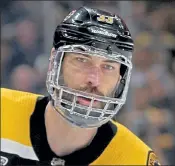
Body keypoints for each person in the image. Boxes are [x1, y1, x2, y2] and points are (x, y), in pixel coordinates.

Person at [1, 6, 161, 165]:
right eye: (82, 59)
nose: (94, 79)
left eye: (108, 66)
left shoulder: (135, 160)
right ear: (55, 62)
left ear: (121, 77)